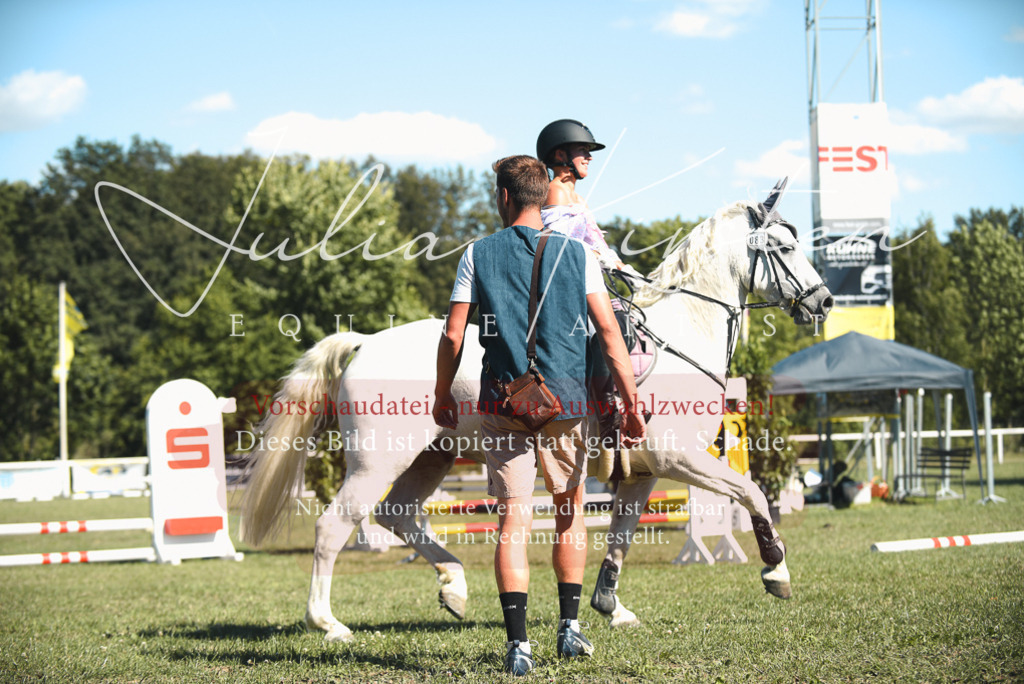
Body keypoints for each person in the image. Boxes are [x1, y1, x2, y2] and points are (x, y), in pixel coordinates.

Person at [432, 155, 647, 676]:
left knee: (514, 519)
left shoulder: (476, 254)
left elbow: (454, 336)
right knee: (570, 508)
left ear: (505, 197)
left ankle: (518, 645)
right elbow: (610, 335)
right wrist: (630, 403)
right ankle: (570, 629)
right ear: (539, 195)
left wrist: (442, 392)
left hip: (504, 402)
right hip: (567, 402)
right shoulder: (578, 254)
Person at [536, 119, 638, 442]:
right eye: (584, 151)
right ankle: (604, 407)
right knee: (615, 325)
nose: (589, 158)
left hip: (586, 282)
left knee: (632, 318)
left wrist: (622, 266)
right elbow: (560, 245)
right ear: (560, 154)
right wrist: (597, 258)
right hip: (564, 289)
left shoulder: (578, 199)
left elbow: (597, 244)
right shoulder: (555, 190)